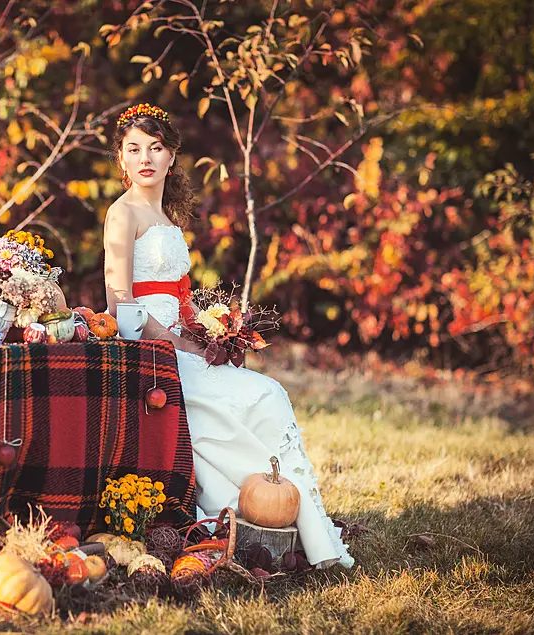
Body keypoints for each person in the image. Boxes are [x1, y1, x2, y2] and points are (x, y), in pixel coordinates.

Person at [102, 103, 354, 569]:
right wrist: (183, 343)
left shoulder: (168, 217)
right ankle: (256, 514)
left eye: (156, 148)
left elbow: (177, 294)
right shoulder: (123, 214)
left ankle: (288, 520)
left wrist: (214, 329)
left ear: (172, 157)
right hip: (152, 350)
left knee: (268, 394)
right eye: (134, 149)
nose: (145, 159)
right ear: (120, 158)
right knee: (265, 395)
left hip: (181, 337)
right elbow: (121, 302)